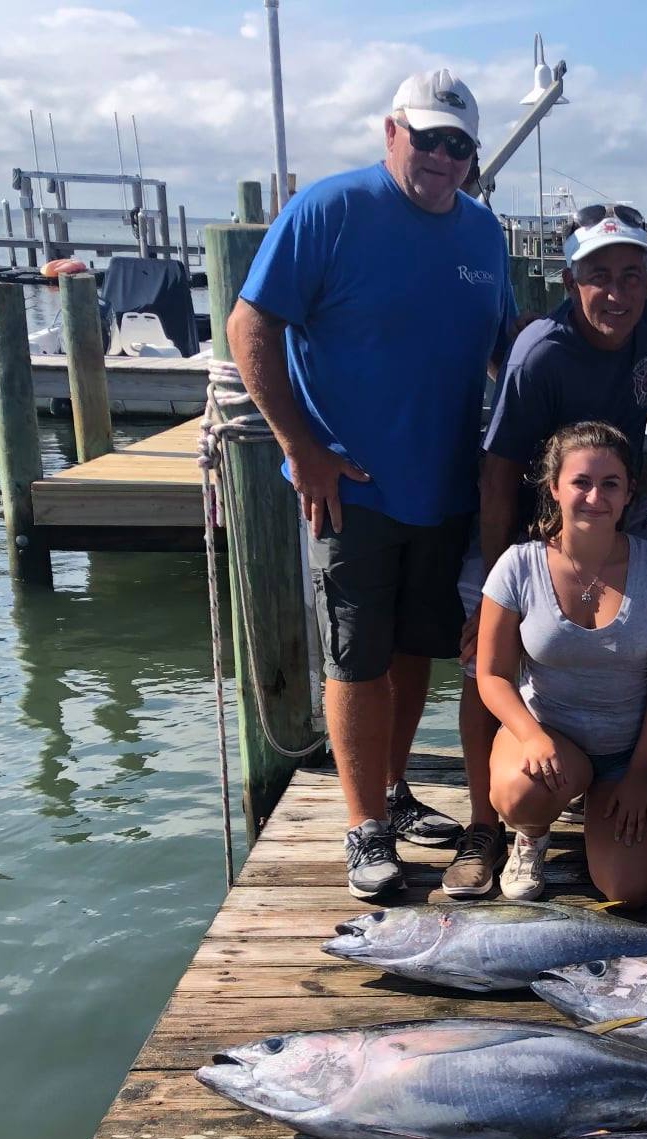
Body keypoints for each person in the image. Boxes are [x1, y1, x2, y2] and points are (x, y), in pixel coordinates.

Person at [229, 69, 517, 900]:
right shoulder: (329, 208)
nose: (441, 156)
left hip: (447, 487)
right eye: (427, 138)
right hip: (349, 489)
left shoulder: (484, 235)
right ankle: (362, 829)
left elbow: (505, 351)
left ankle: (391, 796)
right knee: (355, 658)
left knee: (414, 647)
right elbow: (252, 323)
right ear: (392, 132)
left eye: (458, 144)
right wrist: (301, 445)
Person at [444, 204, 647, 898]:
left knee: (630, 887)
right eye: (598, 278)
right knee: (487, 664)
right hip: (533, 525)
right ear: (569, 281)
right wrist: (502, 577)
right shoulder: (541, 353)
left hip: (616, 515)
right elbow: (499, 472)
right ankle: (490, 827)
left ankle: (610, 785)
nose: (616, 293)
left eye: (630, 276)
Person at [475, 422, 647, 907]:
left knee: (628, 891)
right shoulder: (518, 565)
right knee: (518, 795)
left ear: (628, 492)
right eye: (581, 482)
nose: (595, 496)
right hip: (551, 738)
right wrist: (531, 738)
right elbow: (491, 675)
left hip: (631, 749)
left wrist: (638, 774)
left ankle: (605, 797)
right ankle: (531, 834)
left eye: (610, 484)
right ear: (554, 488)